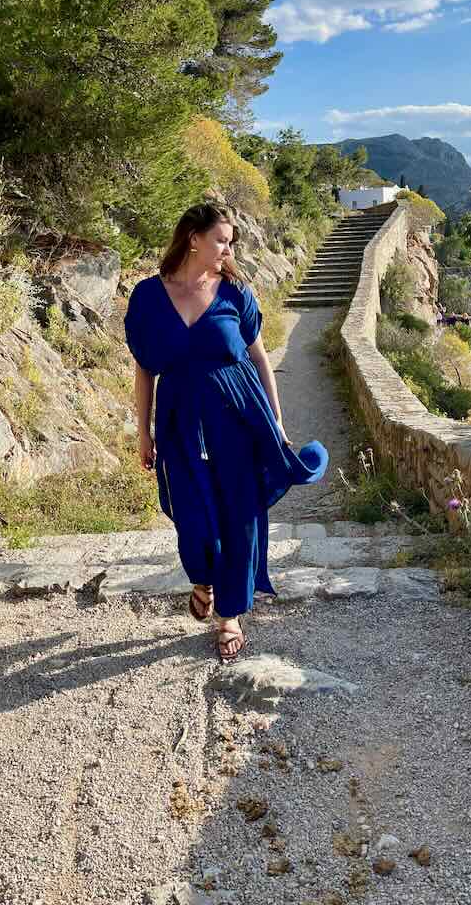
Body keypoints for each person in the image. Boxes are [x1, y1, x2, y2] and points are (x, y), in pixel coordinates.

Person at [124, 203, 329, 663]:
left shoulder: (236, 293)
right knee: (192, 514)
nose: (227, 249)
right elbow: (144, 372)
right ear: (193, 239)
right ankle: (203, 577)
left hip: (240, 418)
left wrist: (276, 420)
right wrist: (143, 432)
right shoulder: (148, 298)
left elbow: (259, 360)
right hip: (179, 421)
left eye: (230, 242)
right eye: (222, 240)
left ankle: (230, 613)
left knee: (239, 514)